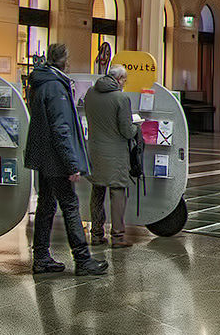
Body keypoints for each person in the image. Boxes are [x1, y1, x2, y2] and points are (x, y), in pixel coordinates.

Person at [24, 43, 101, 276]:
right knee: (70, 205)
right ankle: (82, 259)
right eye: (68, 60)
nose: (69, 64)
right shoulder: (55, 87)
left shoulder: (41, 83)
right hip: (56, 159)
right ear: (64, 61)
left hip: (44, 156)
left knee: (46, 205)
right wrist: (71, 164)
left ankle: (41, 257)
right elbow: (61, 128)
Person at [84, 63, 140, 247]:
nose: (125, 84)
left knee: (97, 191)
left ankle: (96, 234)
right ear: (119, 79)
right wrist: (137, 127)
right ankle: (118, 237)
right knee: (117, 192)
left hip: (94, 151)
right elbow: (126, 130)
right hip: (115, 154)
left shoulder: (90, 93)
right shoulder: (121, 98)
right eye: (125, 80)